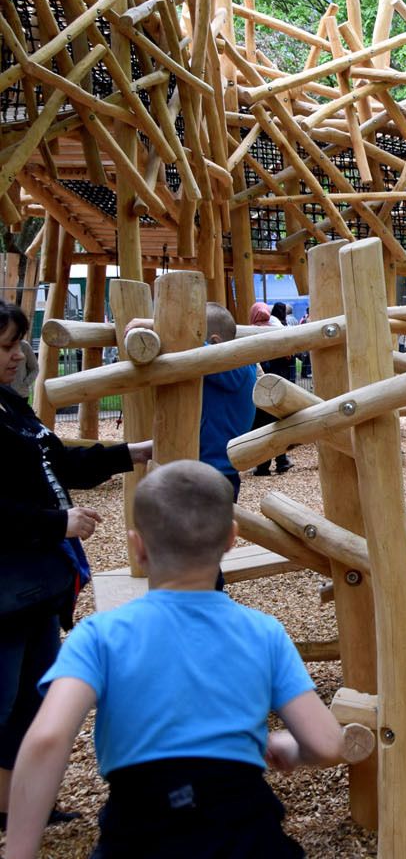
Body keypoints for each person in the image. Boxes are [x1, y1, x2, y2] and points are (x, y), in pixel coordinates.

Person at [6, 461, 348, 857]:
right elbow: (326, 744)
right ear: (232, 539)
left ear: (138, 546)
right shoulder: (263, 632)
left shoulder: (100, 636)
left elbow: (48, 738)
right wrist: (291, 748)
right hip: (244, 827)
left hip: (140, 826)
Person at [0, 301, 150, 834]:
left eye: (17, 343)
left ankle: (12, 805)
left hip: (36, 585)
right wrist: (55, 523)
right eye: (6, 347)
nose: (18, 356)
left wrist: (131, 453)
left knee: (31, 697)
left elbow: (58, 462)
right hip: (6, 586)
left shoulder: (9, 408)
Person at [197, 304, 257, 501]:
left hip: (213, 472)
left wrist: (150, 324)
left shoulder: (233, 365)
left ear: (214, 343)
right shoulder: (239, 367)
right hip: (215, 470)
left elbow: (186, 342)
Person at [250, 302, 292, 476]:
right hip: (279, 387)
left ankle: (262, 465)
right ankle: (281, 461)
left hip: (260, 389)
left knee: (260, 428)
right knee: (277, 425)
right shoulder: (279, 329)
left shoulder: (250, 333)